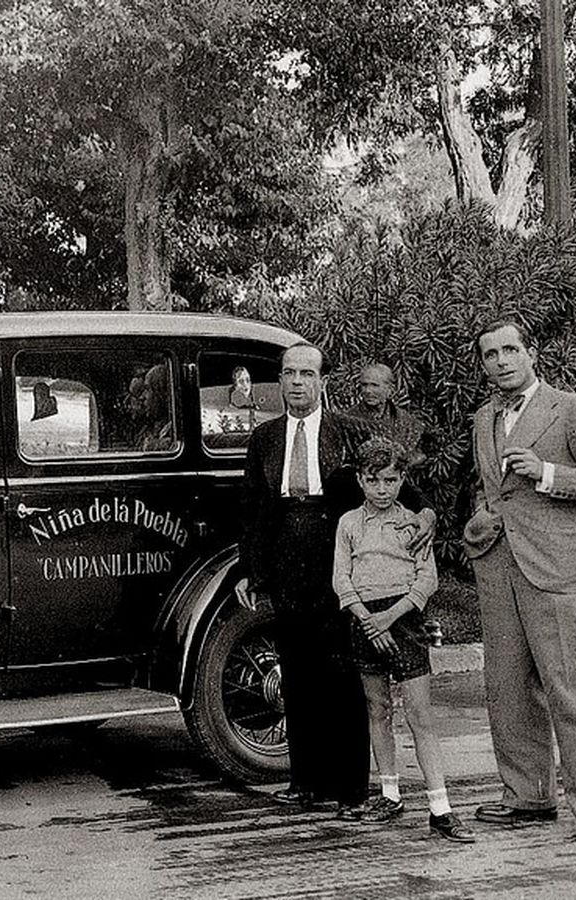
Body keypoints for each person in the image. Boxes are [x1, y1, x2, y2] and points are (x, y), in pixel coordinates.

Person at [239, 342, 434, 819]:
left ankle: (351, 789)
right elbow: (252, 511)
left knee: (344, 674)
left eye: (307, 373)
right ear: (280, 381)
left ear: (322, 381)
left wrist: (426, 514)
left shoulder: (351, 433)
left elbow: (402, 487)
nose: (298, 382)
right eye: (289, 373)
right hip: (288, 560)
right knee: (298, 671)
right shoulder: (264, 439)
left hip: (341, 557)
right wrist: (252, 569)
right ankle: (304, 781)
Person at [463, 318, 576, 843]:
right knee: (507, 689)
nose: (501, 360)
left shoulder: (572, 409)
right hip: (499, 567)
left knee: (572, 690)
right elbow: (493, 490)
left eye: (511, 349)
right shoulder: (483, 417)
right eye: (491, 354)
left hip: (556, 570)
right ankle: (528, 795)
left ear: (531, 353)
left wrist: (548, 473)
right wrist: (479, 522)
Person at [333, 438, 473, 843]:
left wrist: (391, 617)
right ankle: (389, 794)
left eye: (391, 480)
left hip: (404, 619)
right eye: (373, 480)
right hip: (364, 619)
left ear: (402, 479)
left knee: (420, 714)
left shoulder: (413, 522)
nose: (382, 489)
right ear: (360, 480)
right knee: (377, 708)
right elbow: (341, 578)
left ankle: (440, 807)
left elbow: (427, 578)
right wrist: (366, 618)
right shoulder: (348, 524)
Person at [344, 361, 428, 468]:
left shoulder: (406, 421)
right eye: (364, 385)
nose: (368, 391)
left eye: (374, 385)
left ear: (390, 390)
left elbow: (420, 454)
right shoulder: (347, 420)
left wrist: (403, 463)